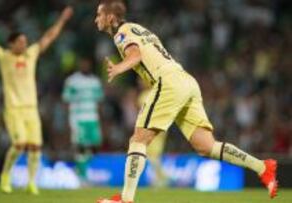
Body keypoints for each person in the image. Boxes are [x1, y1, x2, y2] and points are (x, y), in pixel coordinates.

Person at [94, 1, 278, 202]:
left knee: (138, 140)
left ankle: (126, 199)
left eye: (99, 15)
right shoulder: (139, 28)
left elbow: (135, 54)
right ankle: (262, 167)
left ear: (111, 18)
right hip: (186, 81)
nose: (96, 19)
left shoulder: (122, 32)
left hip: (168, 82)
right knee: (206, 146)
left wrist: (120, 68)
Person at [0, 7, 73, 195]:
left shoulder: (31, 55)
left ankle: (32, 182)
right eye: (20, 42)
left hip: (31, 109)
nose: (24, 44)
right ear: (11, 44)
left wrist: (62, 19)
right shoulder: (4, 57)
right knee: (19, 144)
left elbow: (49, 36)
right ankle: (5, 175)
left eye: (25, 41)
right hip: (14, 109)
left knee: (36, 146)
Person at [62, 57, 104, 183]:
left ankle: (80, 169)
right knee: (80, 146)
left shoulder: (95, 81)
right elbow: (65, 100)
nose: (85, 66)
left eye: (87, 64)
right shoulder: (72, 81)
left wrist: (100, 118)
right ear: (79, 65)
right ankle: (82, 176)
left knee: (94, 145)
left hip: (92, 117)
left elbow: (99, 101)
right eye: (83, 63)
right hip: (78, 118)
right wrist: (68, 120)